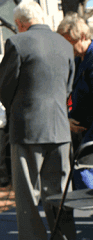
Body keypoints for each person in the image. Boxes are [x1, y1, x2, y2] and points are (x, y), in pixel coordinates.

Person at [0, 2, 76, 240]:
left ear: (20, 23)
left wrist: (15, 109)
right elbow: (68, 87)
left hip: (27, 128)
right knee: (60, 192)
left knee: (27, 195)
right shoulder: (65, 45)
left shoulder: (17, 42)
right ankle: (64, 236)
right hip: (60, 128)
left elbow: (5, 88)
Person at [57, 13, 93, 189]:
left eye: (69, 42)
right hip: (81, 127)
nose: (67, 47)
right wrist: (69, 118)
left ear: (83, 36)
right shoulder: (79, 60)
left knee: (84, 171)